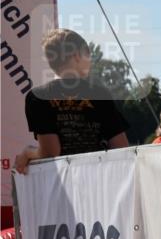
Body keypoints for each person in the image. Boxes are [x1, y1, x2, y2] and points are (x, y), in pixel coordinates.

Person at [14, 28, 129, 173]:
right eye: (88, 54)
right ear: (76, 56)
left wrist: (28, 153)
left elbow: (50, 152)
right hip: (98, 182)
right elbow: (121, 147)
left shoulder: (38, 97)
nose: (91, 60)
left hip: (61, 186)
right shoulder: (100, 93)